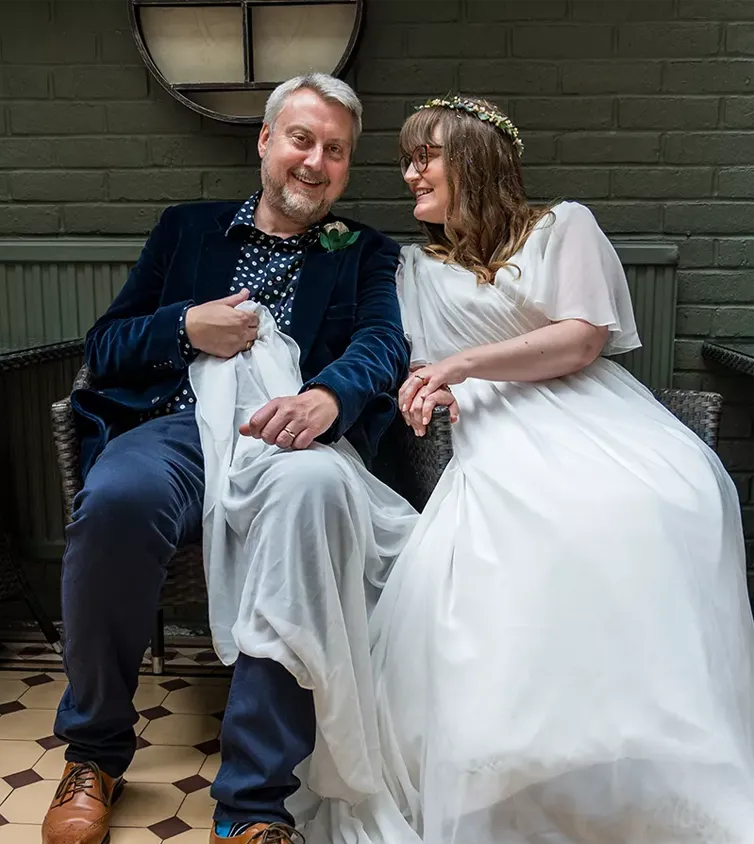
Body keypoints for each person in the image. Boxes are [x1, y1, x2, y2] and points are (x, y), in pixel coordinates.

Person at [304, 96, 754, 844]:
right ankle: (526, 766)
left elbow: (580, 340)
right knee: (534, 521)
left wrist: (461, 363)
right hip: (500, 433)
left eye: (428, 156)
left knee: (671, 497)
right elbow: (407, 356)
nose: (411, 174)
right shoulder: (412, 267)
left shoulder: (562, 226)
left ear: (476, 157)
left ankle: (645, 753)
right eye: (406, 161)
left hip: (599, 413)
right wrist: (425, 386)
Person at [41, 73, 417, 844]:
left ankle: (253, 804)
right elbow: (106, 347)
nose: (315, 162)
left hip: (287, 436)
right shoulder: (187, 231)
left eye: (336, 151)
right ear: (266, 142)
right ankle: (95, 754)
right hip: (176, 432)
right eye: (301, 140)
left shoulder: (364, 251)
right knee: (116, 503)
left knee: (306, 507)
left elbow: (383, 343)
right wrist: (185, 326)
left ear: (348, 166)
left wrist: (328, 398)